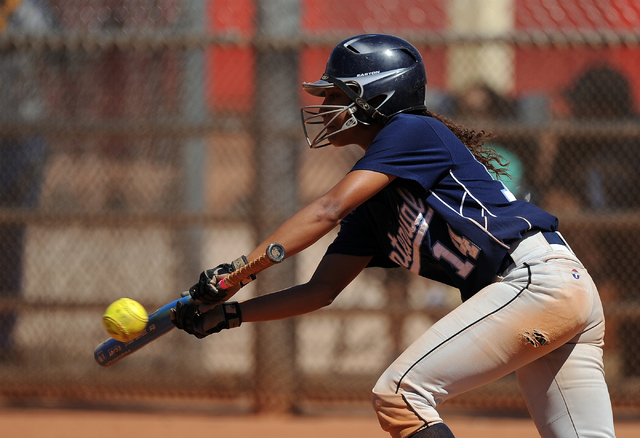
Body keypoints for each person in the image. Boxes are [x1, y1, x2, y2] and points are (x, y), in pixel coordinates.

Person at [171, 34, 616, 438]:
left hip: (532, 281)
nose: (325, 106)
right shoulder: (374, 204)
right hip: (552, 290)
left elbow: (327, 208)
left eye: (337, 94)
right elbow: (320, 290)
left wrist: (238, 272)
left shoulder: (411, 130)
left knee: (401, 394)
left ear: (377, 98)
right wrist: (230, 314)